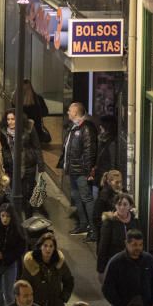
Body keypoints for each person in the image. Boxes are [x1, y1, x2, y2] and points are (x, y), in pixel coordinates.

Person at [101, 230, 153, 306]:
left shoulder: (149, 260)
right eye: (134, 245)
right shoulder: (115, 262)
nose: (138, 248)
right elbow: (107, 288)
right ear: (126, 243)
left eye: (140, 245)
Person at [59, 101, 98, 239]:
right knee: (76, 196)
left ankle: (93, 229)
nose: (68, 112)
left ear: (76, 112)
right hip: (74, 170)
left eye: (70, 110)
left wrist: (88, 172)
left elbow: (89, 151)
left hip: (81, 171)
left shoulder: (86, 128)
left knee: (86, 198)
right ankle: (83, 224)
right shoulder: (74, 127)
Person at [20, 233, 75, 306]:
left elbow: (69, 280)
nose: (48, 249)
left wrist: (64, 296)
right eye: (45, 246)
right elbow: (24, 284)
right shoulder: (31, 263)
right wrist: (28, 302)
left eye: (51, 246)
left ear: (54, 248)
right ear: (40, 246)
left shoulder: (59, 262)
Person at [97, 193, 143, 279]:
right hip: (115, 264)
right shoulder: (109, 222)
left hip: (132, 264)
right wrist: (101, 270)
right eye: (119, 204)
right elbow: (103, 246)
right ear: (115, 205)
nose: (122, 207)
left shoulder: (135, 222)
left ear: (130, 206)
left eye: (125, 204)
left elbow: (140, 243)